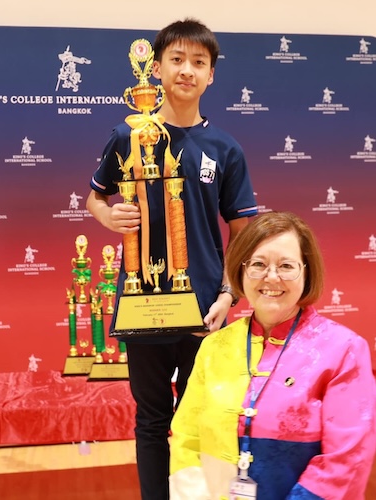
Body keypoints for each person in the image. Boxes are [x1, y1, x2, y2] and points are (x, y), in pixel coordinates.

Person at [86, 18, 258, 500]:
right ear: (155, 68)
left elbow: (242, 231)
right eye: (177, 60)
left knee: (206, 415)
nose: (187, 71)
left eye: (198, 63)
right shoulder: (127, 134)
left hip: (205, 307)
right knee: (151, 419)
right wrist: (109, 216)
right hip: (141, 304)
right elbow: (95, 197)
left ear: (211, 76)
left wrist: (229, 293)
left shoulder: (225, 148)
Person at [169, 211, 376, 500]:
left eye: (286, 265)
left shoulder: (343, 349)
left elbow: (347, 460)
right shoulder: (214, 348)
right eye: (258, 264)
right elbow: (187, 440)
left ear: (307, 272)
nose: (271, 277)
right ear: (241, 271)